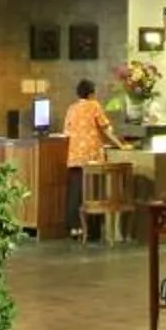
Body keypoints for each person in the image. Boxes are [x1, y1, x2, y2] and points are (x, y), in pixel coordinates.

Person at [61, 78, 124, 237]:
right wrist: (121, 145)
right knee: (93, 191)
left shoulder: (71, 108)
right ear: (91, 93)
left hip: (74, 155)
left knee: (75, 190)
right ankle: (93, 229)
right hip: (91, 156)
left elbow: (66, 132)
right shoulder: (94, 106)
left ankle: (75, 227)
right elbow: (106, 129)